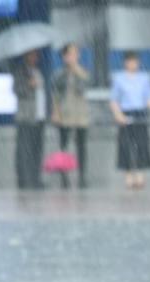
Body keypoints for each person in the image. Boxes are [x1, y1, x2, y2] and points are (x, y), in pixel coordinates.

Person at [109, 50, 150, 189]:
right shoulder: (119, 78)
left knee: (142, 144)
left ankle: (140, 175)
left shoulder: (144, 78)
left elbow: (148, 99)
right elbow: (114, 99)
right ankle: (129, 175)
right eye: (130, 61)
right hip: (125, 113)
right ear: (125, 63)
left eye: (135, 61)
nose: (133, 64)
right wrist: (118, 115)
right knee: (125, 145)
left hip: (140, 113)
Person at [51, 42, 90, 189]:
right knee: (64, 147)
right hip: (65, 114)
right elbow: (55, 95)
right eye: (70, 54)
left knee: (81, 146)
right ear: (64, 57)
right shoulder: (59, 74)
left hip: (80, 115)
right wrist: (55, 112)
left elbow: (86, 83)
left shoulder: (82, 71)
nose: (73, 57)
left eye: (75, 54)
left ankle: (82, 176)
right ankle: (64, 177)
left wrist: (76, 69)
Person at [12, 49, 46, 190]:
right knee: (24, 150)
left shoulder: (38, 72)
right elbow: (17, 90)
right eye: (31, 55)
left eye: (36, 55)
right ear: (26, 56)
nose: (34, 57)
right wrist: (29, 85)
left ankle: (35, 178)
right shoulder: (21, 72)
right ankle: (24, 179)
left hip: (38, 117)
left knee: (36, 149)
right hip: (26, 117)